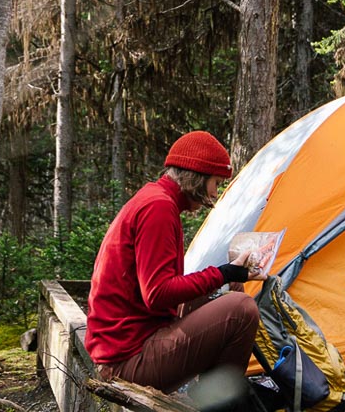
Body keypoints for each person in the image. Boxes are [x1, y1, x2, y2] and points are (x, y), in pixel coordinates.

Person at [85, 131, 268, 395]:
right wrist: (223, 273)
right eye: (215, 183)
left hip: (123, 348)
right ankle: (221, 403)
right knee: (241, 310)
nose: (215, 193)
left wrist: (226, 278)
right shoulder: (158, 208)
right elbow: (157, 294)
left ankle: (208, 396)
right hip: (126, 363)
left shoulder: (157, 199)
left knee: (213, 299)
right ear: (198, 177)